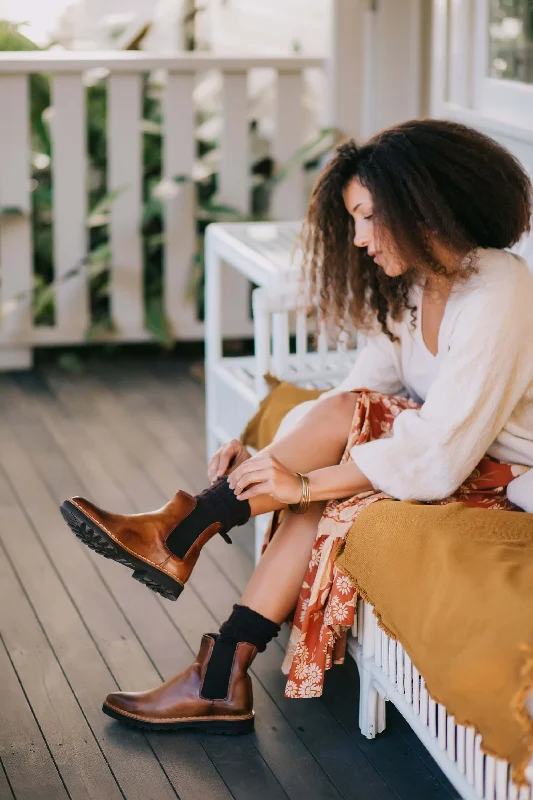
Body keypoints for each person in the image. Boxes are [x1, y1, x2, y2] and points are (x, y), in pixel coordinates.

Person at [60, 118, 533, 733]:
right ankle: (221, 671)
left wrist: (301, 483)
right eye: (353, 221)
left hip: (501, 470)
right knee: (319, 473)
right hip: (456, 459)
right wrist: (269, 457)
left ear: (422, 207)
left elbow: (438, 452)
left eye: (367, 216)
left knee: (314, 488)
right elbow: (356, 392)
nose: (359, 239)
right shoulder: (418, 285)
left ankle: (182, 533)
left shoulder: (501, 287)